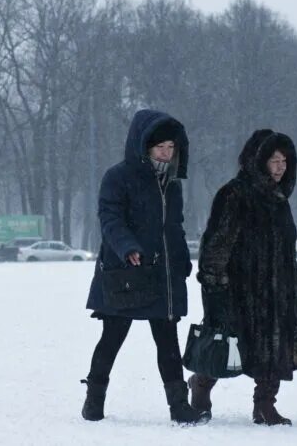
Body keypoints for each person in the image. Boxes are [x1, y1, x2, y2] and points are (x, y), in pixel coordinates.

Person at [191, 130, 297, 426]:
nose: (280, 167)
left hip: (277, 287)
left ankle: (265, 404)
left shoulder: (279, 199)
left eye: (284, 161)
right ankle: (201, 386)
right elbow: (217, 242)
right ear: (259, 161)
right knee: (227, 343)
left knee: (275, 345)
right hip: (239, 288)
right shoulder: (235, 194)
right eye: (274, 161)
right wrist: (215, 283)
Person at [82, 109, 207, 425]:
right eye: (160, 147)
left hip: (162, 273)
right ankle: (93, 401)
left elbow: (174, 226)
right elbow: (110, 218)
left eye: (171, 147)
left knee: (167, 340)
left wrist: (181, 259)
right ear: (144, 146)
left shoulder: (172, 184)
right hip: (125, 272)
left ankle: (179, 406)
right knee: (112, 336)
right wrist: (127, 247)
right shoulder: (117, 177)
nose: (166, 153)